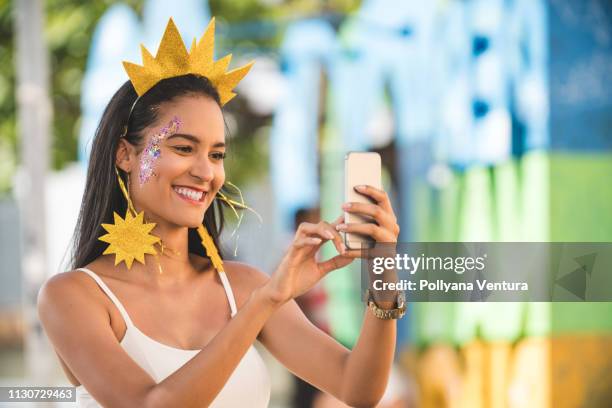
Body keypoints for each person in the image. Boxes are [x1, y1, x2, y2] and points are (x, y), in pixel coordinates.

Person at [37, 17, 404, 408]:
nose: (205, 172)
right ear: (126, 154)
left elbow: (357, 389)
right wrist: (263, 303)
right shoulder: (74, 297)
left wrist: (382, 274)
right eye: (182, 148)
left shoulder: (241, 287)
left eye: (216, 154)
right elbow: (151, 404)